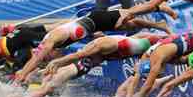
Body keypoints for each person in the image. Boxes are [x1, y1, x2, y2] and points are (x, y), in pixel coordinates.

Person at [9, 33, 164, 97]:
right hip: (84, 62)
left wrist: (163, 29)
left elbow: (142, 33)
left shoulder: (135, 41)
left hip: (86, 62)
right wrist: (58, 62)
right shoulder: (102, 45)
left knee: (47, 87)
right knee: (46, 88)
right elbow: (77, 56)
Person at [13, 9, 171, 84]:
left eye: (44, 56)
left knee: (129, 17)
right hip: (93, 24)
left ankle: (158, 10)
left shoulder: (49, 42)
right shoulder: (52, 39)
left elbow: (36, 59)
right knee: (128, 24)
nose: (45, 58)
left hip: (97, 19)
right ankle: (158, 21)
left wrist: (23, 74)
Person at [129, 23, 193, 97]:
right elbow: (134, 79)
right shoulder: (148, 56)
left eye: (157, 74)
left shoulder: (157, 59)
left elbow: (147, 86)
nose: (160, 73)